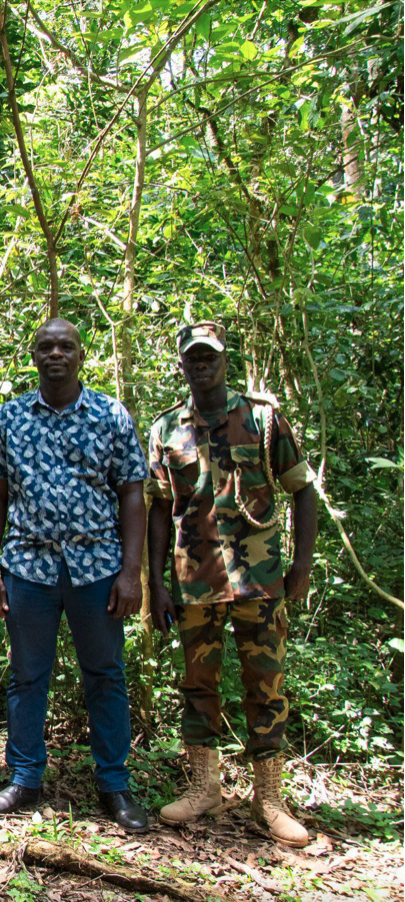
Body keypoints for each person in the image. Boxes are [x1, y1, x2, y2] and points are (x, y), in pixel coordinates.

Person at [147, 322, 317, 848]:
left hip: (261, 582)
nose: (202, 365)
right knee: (198, 686)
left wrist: (302, 567)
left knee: (264, 687)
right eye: (193, 358)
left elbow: (303, 491)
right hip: (194, 582)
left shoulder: (262, 420)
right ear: (182, 364)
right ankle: (205, 788)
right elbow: (158, 509)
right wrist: (155, 582)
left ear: (225, 361)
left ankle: (269, 799)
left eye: (210, 357)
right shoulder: (167, 429)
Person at [0, 318, 148, 833]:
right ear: (34, 355)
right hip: (29, 566)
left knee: (105, 675)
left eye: (65, 346)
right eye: (46, 346)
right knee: (28, 675)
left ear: (80, 354)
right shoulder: (11, 417)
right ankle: (25, 778)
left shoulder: (109, 414)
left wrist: (132, 574)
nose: (56, 353)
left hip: (97, 566)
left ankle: (114, 785)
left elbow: (133, 494)